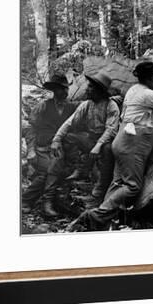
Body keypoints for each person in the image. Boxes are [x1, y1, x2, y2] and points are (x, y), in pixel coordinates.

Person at [68, 61, 153, 231]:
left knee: (118, 183)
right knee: (132, 186)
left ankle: (99, 222)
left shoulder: (134, 90)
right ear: (147, 79)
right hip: (132, 143)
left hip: (124, 140)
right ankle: (95, 216)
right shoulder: (146, 94)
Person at [48, 70, 120, 213]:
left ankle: (99, 191)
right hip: (90, 139)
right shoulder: (86, 104)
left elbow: (111, 129)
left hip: (106, 142)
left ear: (100, 91)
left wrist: (98, 146)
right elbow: (70, 123)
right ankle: (81, 168)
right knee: (69, 137)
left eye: (91, 87)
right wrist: (56, 139)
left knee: (107, 149)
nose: (87, 89)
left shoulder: (111, 106)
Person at [22, 73, 77, 216]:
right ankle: (43, 203)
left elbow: (86, 110)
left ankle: (29, 201)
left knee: (49, 170)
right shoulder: (43, 106)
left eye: (66, 89)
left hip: (60, 148)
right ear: (54, 90)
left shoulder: (72, 107)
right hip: (42, 149)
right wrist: (31, 151)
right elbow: (31, 129)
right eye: (60, 89)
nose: (64, 92)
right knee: (48, 170)